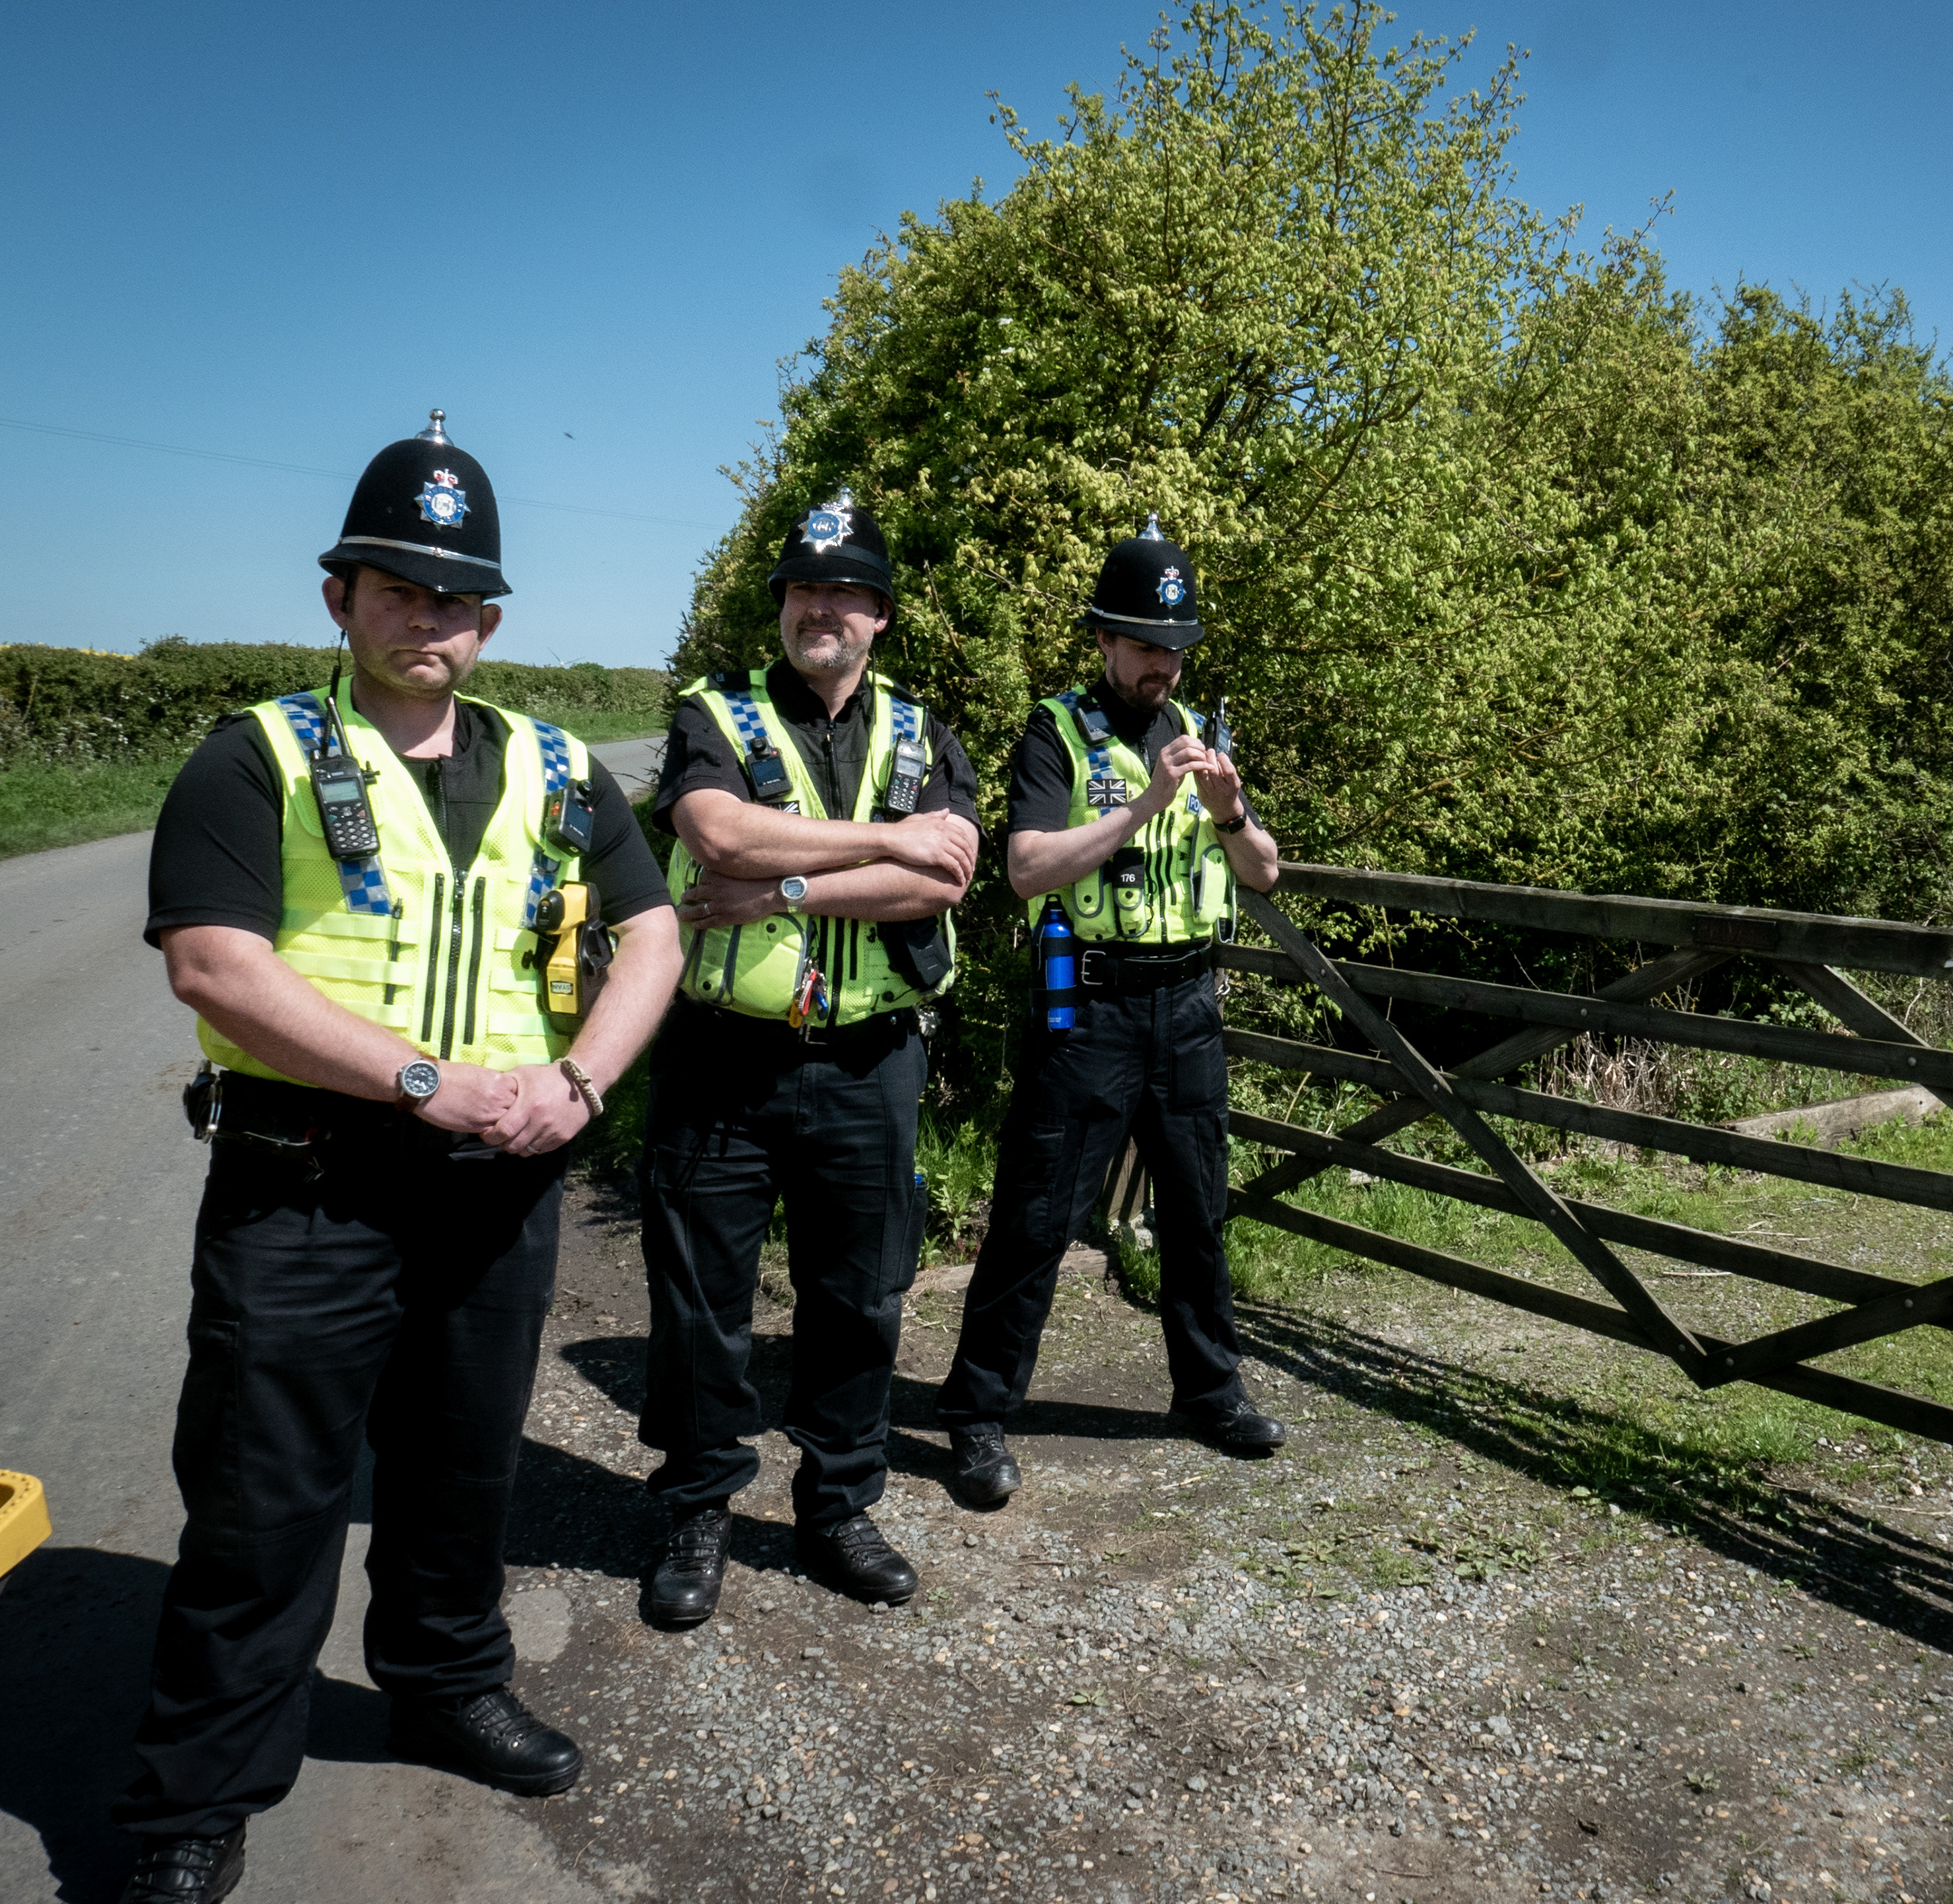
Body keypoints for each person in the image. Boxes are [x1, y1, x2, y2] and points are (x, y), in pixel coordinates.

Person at [117, 412, 681, 1903]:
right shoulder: (258, 757)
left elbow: (656, 931)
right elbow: (215, 967)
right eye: (398, 586)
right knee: (264, 1502)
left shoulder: (561, 768)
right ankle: (200, 1794)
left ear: (490, 617)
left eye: (456, 595)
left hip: (496, 1188)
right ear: (340, 598)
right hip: (308, 1181)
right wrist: (428, 1080)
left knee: (459, 1471)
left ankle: (443, 1685)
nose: (429, 615)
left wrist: (583, 1080)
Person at [636, 490, 980, 1623]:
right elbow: (717, 833)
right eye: (801, 587)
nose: (818, 606)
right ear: (781, 604)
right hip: (722, 1060)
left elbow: (943, 879)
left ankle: (837, 1506)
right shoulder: (713, 716)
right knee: (701, 1304)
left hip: (870, 1060)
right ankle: (698, 1504)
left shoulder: (925, 732)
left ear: (880, 614)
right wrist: (887, 835)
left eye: (843, 590)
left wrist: (782, 884)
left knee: (859, 1298)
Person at [936, 518, 1285, 1511]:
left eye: (1174, 652)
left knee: (1198, 1209)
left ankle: (1210, 1392)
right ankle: (977, 1414)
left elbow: (1264, 873)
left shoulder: (1203, 737)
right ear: (1103, 642)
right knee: (1037, 1217)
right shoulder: (1055, 730)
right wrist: (1141, 808)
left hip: (1187, 1002)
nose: (1161, 669)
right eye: (1144, 648)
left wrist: (1226, 807)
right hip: (1087, 1004)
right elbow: (1022, 868)